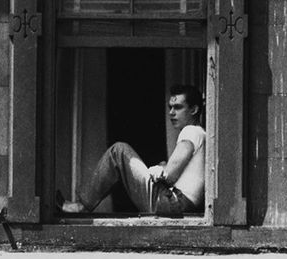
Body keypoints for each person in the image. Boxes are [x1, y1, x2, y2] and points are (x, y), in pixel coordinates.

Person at [60, 83, 206, 217]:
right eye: (170, 107)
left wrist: (162, 170)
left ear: (194, 109)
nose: (171, 113)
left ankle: (81, 207)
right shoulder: (200, 134)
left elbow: (170, 175)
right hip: (179, 204)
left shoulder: (190, 131)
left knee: (118, 151)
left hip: (173, 204)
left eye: (178, 107)